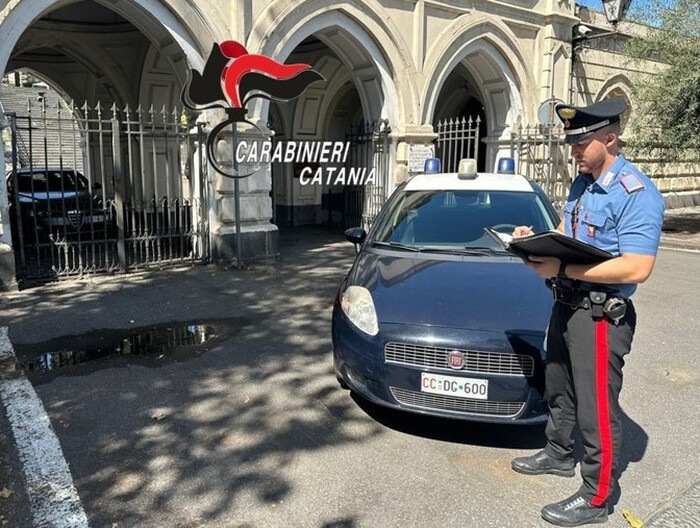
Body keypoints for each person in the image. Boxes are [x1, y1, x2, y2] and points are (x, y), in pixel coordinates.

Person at [510, 98, 665, 527]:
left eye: (581, 141)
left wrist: (560, 266)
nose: (574, 150)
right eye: (572, 142)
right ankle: (558, 454)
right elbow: (568, 234)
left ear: (609, 138)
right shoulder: (583, 184)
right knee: (558, 386)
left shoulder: (636, 192)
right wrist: (535, 240)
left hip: (599, 315)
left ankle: (597, 495)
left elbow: (637, 266)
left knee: (596, 408)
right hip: (566, 303)